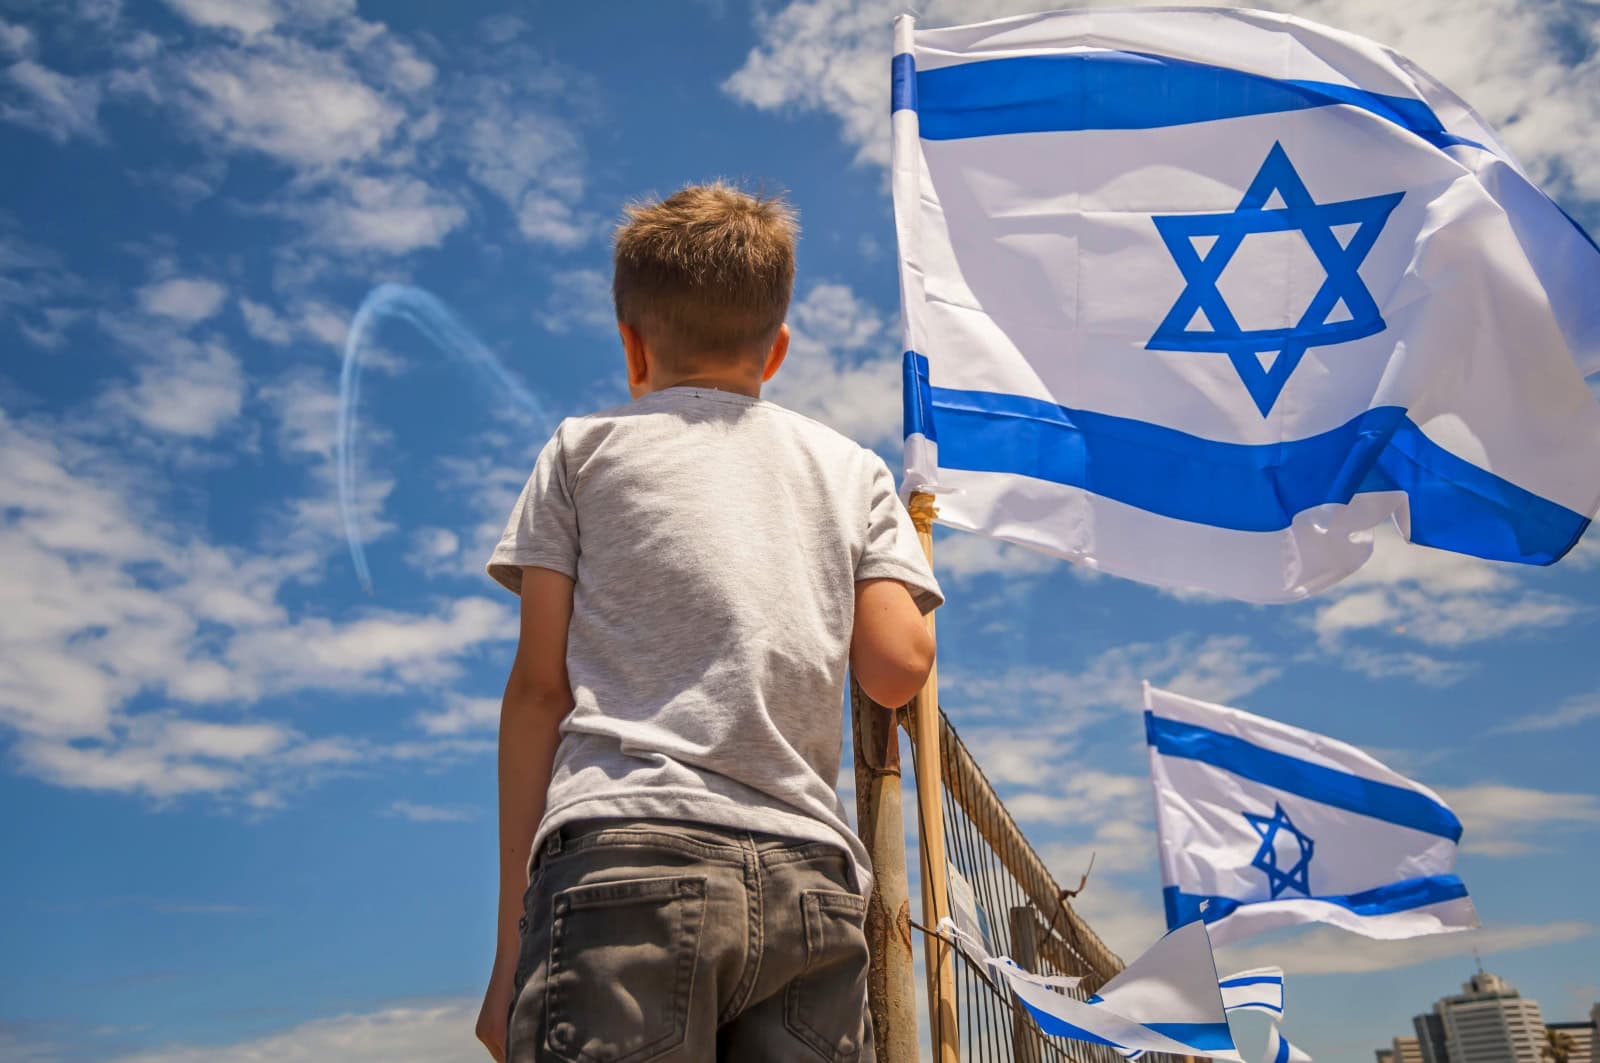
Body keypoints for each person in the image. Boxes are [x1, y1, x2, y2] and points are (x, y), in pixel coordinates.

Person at [474, 181, 942, 1062]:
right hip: (810, 882)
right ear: (778, 351)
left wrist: (511, 948)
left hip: (623, 863)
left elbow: (539, 691)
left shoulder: (580, 452)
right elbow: (895, 666)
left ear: (630, 345)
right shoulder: (853, 471)